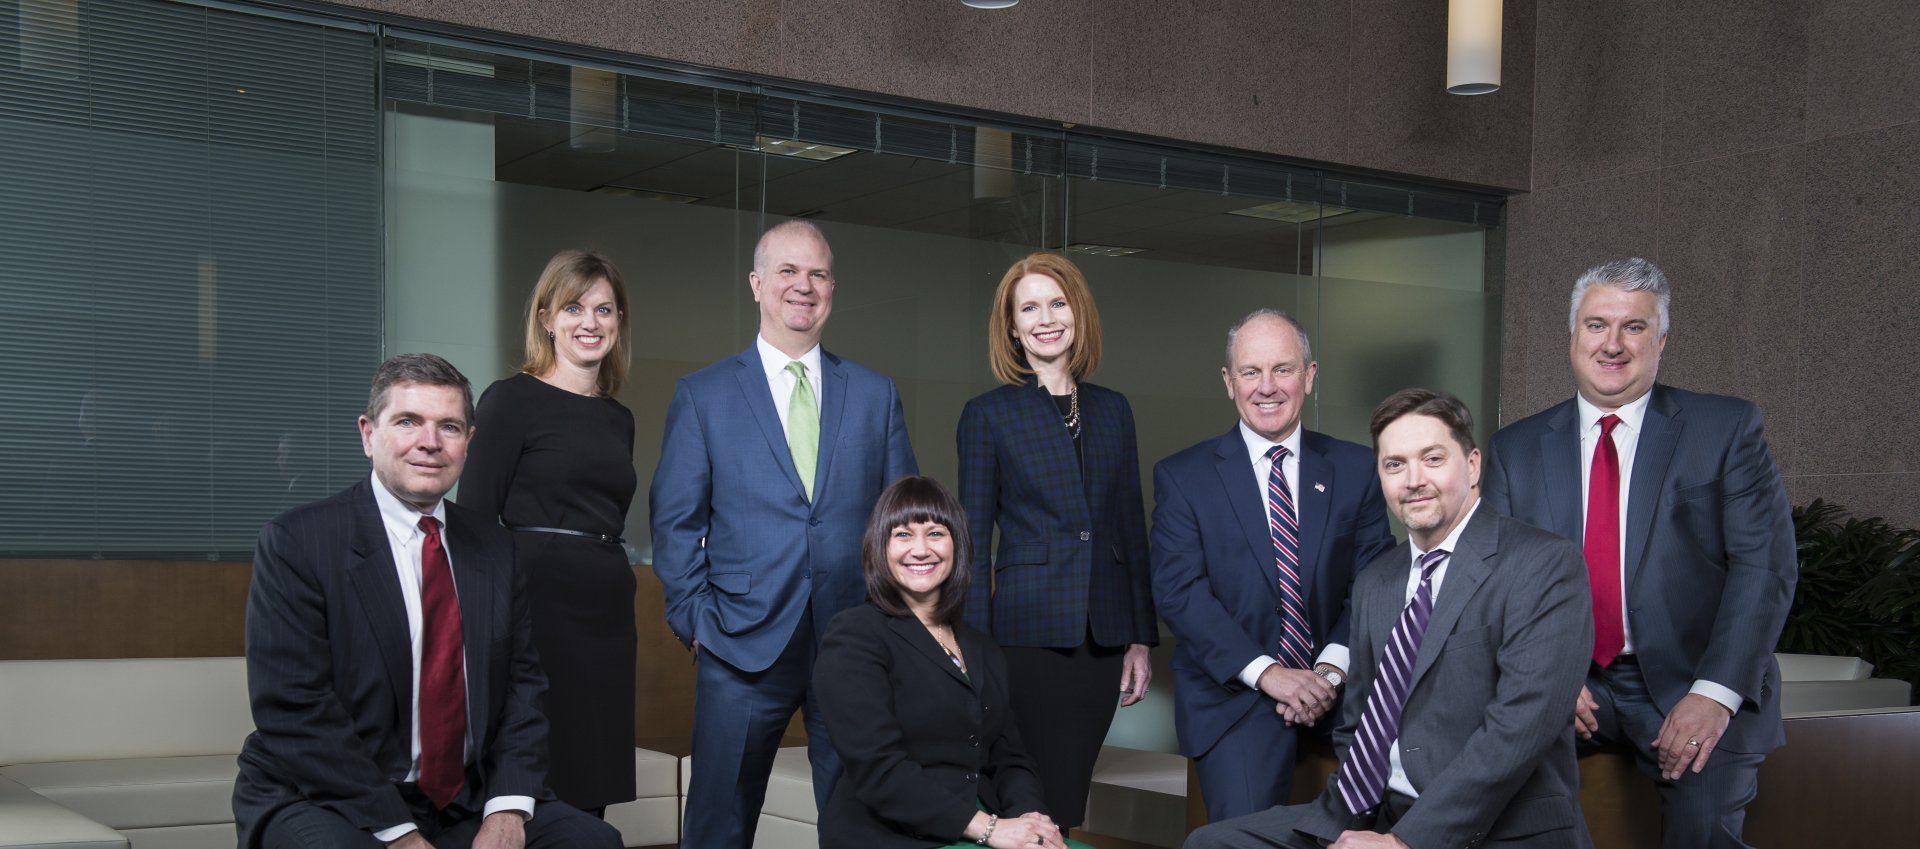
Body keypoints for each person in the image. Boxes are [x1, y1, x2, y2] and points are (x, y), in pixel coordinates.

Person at [231, 353, 622, 849]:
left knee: (592, 841)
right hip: (324, 796)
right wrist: (400, 834)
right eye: (407, 422)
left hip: (461, 799)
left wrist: (506, 810)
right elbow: (295, 711)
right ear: (368, 434)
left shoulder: (495, 547)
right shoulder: (298, 543)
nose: (430, 442)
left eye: (449, 427)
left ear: (469, 443)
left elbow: (522, 690)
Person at [1186, 388, 1594, 849]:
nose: (1414, 480)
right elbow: (1357, 723)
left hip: (1493, 827)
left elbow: (1518, 731)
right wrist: (1357, 826)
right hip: (1379, 811)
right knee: (1212, 843)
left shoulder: (1543, 564)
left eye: (1433, 459)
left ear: (1473, 465)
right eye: (1395, 465)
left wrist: (1405, 842)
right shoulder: (1377, 580)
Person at [1482, 258, 1796, 849]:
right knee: (1488, 794)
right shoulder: (1515, 449)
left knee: (1704, 833)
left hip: (1693, 680)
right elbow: (1494, 581)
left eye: (1634, 327)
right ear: (1572, 336)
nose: (1613, 344)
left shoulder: (1724, 428)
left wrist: (1714, 694)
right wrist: (1542, 675)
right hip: (1570, 681)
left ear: (1661, 341)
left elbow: (1765, 567)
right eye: (1597, 325)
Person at [650, 219, 919, 848]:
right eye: (788, 271)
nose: (804, 286)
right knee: (719, 824)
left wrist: (895, 625)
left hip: (853, 642)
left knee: (860, 823)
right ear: (756, 284)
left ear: (833, 290)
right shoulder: (704, 395)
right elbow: (675, 522)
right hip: (739, 643)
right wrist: (696, 620)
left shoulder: (875, 395)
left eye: (818, 274)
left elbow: (902, 522)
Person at [1149, 309, 1396, 822]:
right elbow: (1180, 592)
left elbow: (1376, 581)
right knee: (1246, 835)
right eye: (1250, 371)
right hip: (1235, 694)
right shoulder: (1184, 477)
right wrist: (1270, 675)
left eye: (1283, 369)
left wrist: (1328, 672)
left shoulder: (1356, 469)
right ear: (1228, 381)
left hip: (1343, 688)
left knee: (1397, 813)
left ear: (1309, 375)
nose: (1267, 387)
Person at [956, 252, 1157, 833]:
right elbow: (971, 541)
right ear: (1012, 327)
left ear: (1078, 313)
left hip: (1102, 639)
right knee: (1027, 794)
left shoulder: (1113, 410)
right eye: (1029, 308)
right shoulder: (989, 415)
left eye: (1057, 304)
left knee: (1067, 795)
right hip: (1024, 639)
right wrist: (973, 650)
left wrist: (1140, 637)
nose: (1046, 319)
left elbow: (1129, 525)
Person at [459, 249, 639, 815]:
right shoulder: (510, 400)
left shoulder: (619, 418)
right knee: (536, 764)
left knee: (593, 772)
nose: (591, 323)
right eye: (574, 308)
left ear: (619, 320)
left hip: (607, 607)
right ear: (546, 319)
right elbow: (473, 521)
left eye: (604, 309)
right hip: (536, 603)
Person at [814, 475, 1082, 849]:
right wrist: (990, 829)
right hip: (894, 835)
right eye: (903, 535)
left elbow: (1010, 758)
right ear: (880, 548)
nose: (920, 549)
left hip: (986, 820)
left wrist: (1029, 819)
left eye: (936, 533)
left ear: (957, 545)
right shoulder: (854, 635)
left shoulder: (982, 646)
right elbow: (879, 769)